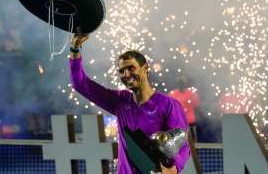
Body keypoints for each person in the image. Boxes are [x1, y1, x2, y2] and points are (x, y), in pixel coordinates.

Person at [69, 33, 190, 174]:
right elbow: (80, 84)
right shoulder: (119, 100)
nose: (126, 74)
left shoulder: (168, 105)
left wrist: (173, 170)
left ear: (145, 69)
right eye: (121, 71)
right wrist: (75, 48)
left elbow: (183, 145)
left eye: (131, 68)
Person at [168, 75, 200, 141]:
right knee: (178, 145)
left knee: (192, 144)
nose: (181, 84)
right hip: (177, 124)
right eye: (180, 82)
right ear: (177, 83)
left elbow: (197, 107)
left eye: (182, 82)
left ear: (185, 83)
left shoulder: (192, 94)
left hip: (190, 123)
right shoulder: (172, 94)